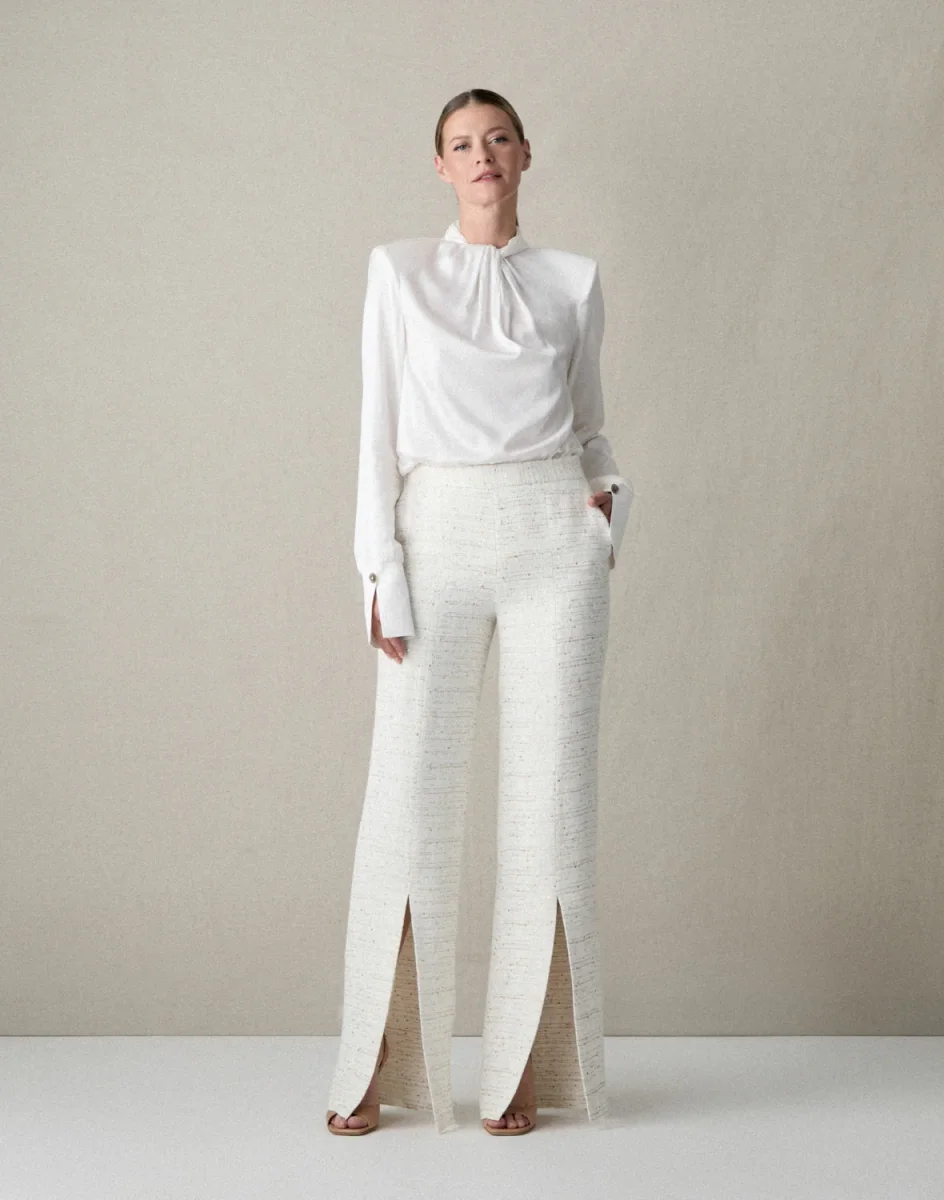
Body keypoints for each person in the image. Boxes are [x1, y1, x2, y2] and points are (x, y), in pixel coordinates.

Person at [326, 88, 634, 1137]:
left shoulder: (573, 280)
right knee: (406, 800)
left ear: (525, 154)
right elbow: (374, 432)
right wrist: (380, 572)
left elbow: (591, 426)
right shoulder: (399, 271)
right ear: (441, 165)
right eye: (462, 143)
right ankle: (373, 1066)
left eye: (497, 138)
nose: (482, 154)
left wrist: (606, 514)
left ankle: (520, 1075)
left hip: (554, 536)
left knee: (552, 803)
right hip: (438, 532)